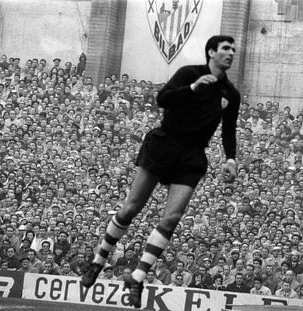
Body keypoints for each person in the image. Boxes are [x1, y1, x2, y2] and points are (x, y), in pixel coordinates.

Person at [81, 35, 240, 308]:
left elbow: (228, 129)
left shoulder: (230, 94)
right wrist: (192, 87)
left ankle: (138, 277)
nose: (231, 53)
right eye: (225, 49)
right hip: (164, 143)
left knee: (172, 218)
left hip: (191, 155)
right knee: (130, 208)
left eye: (233, 50)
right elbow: (163, 99)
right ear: (211, 51)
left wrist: (231, 159)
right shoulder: (190, 74)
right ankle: (99, 259)